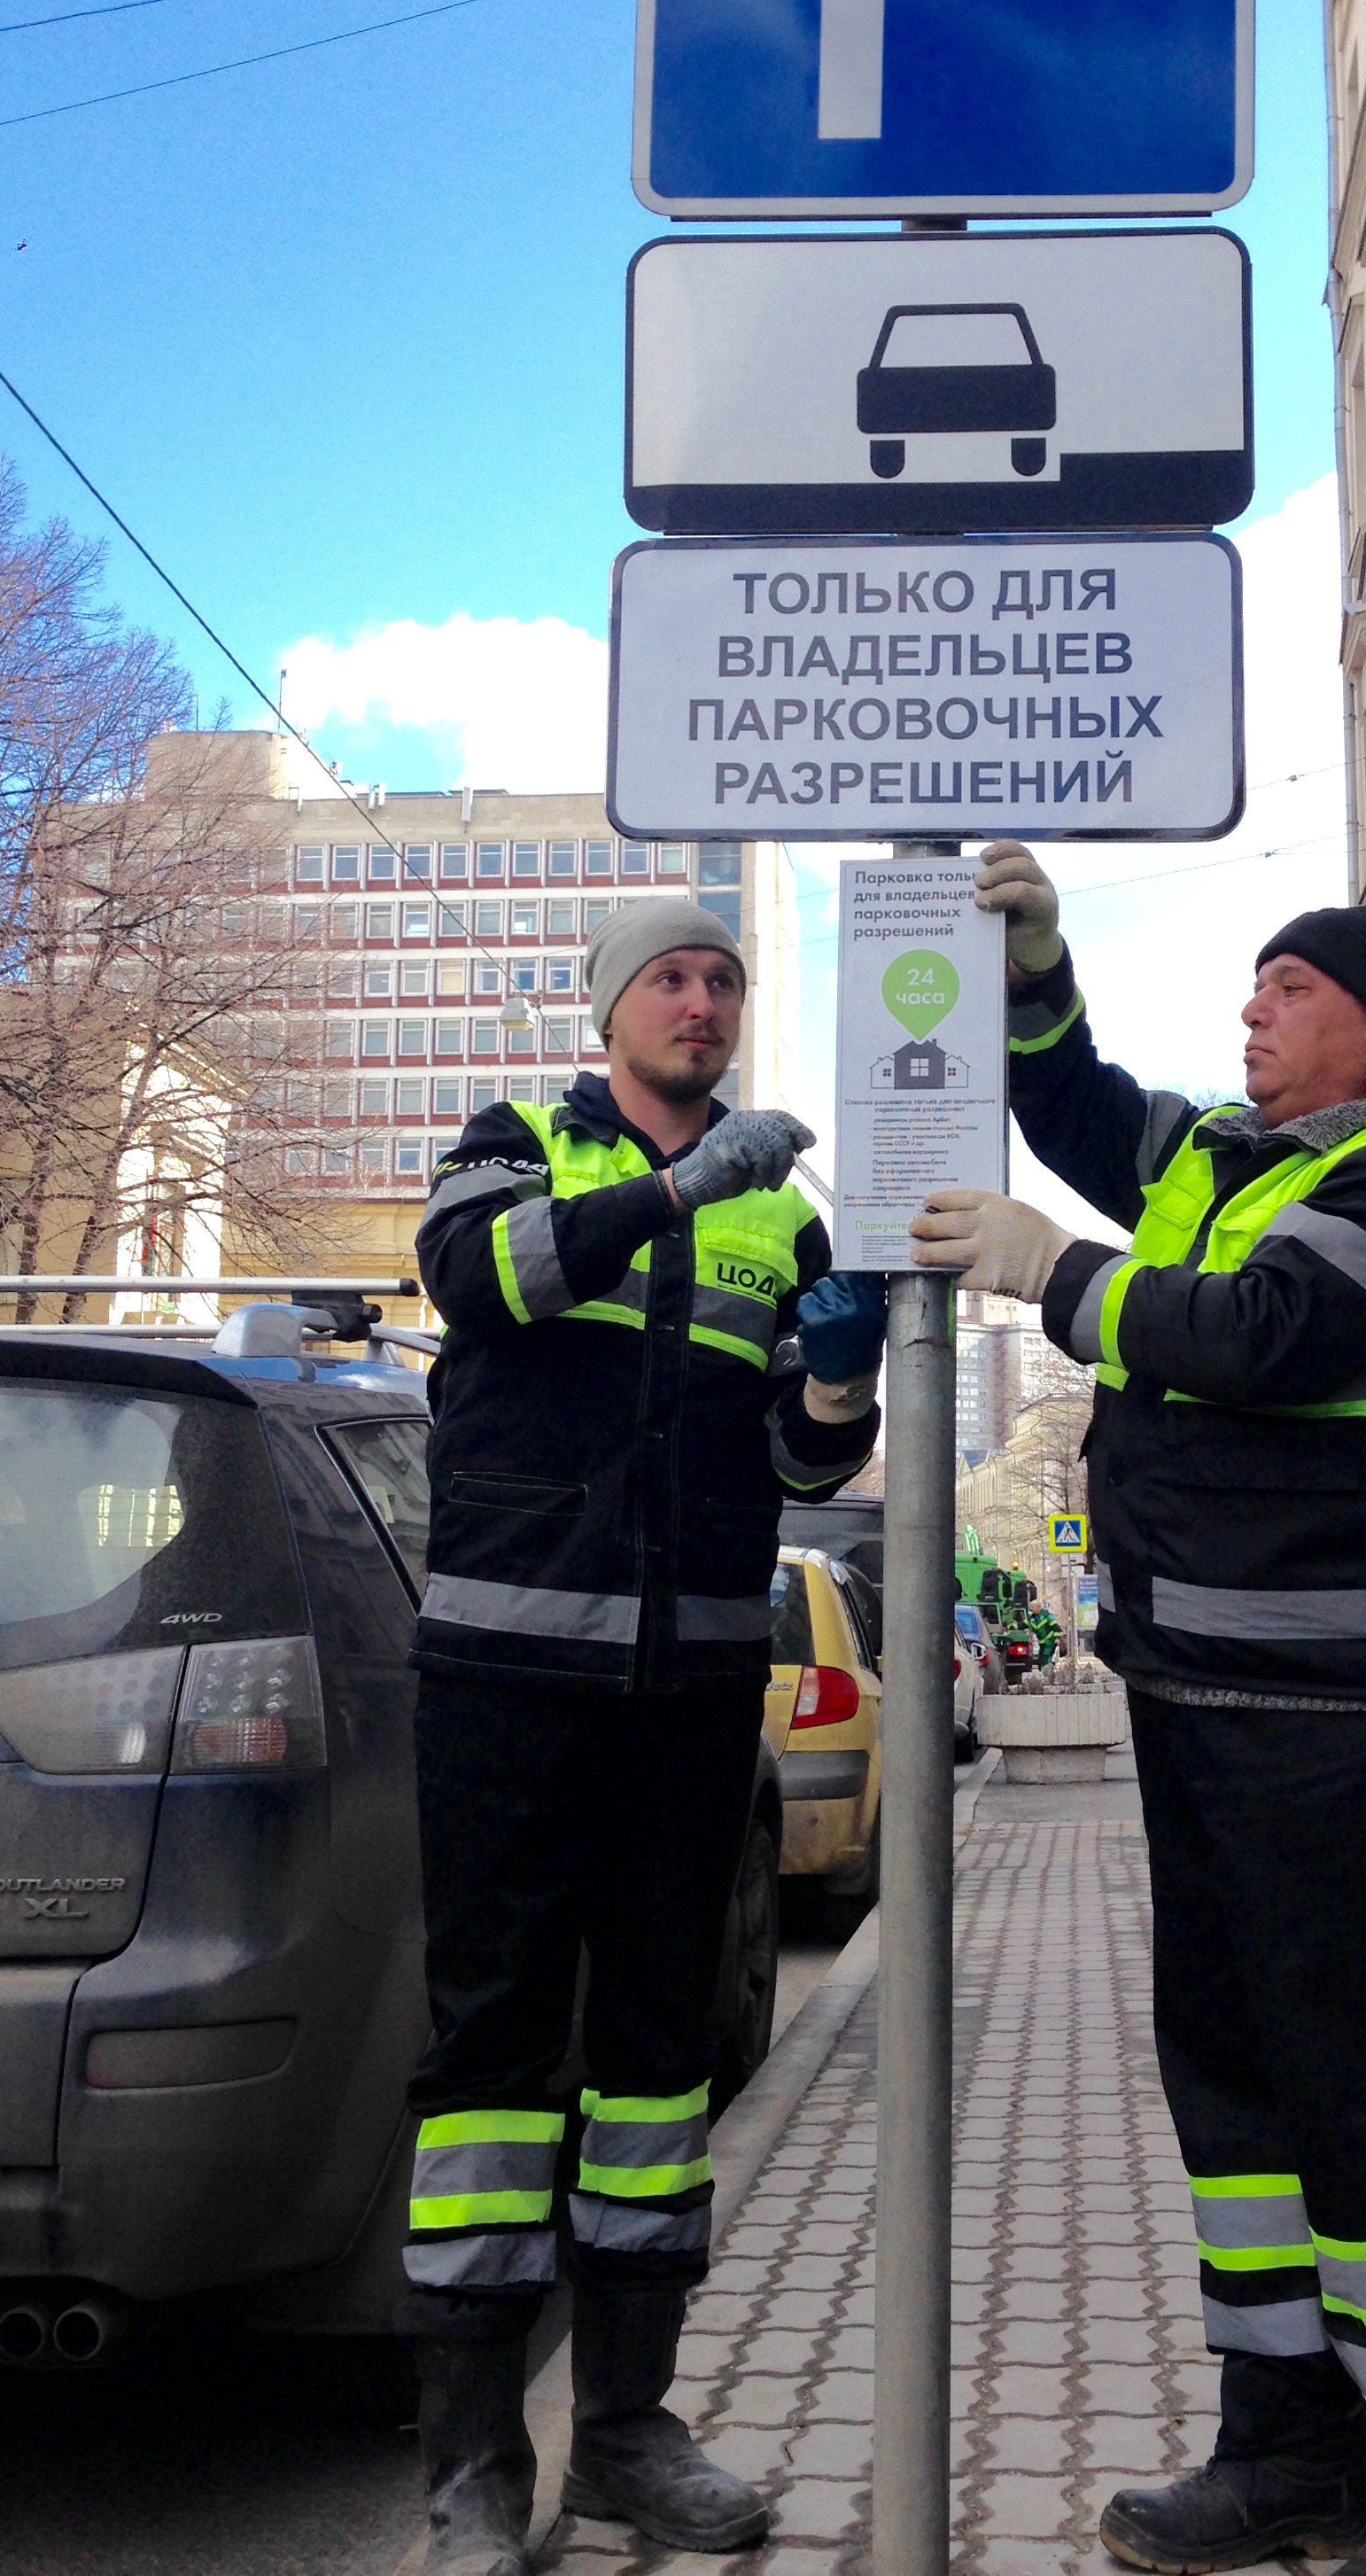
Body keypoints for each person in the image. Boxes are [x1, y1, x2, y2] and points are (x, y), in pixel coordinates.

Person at [910, 844, 1366, 2576]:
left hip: (1334, 1716)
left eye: (1292, 991)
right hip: (1202, 1698)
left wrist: (1055, 1277)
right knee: (1243, 2103)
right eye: (1251, 986)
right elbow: (1079, 1107)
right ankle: (1286, 2456)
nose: (1252, 1013)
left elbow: (1259, 1337)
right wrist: (1037, 966)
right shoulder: (1217, 1158)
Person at [404, 896, 886, 2576]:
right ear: (613, 1011)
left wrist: (837, 1386)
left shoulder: (788, 1223)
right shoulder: (516, 1141)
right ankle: (472, 2466)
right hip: (508, 1692)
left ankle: (623, 2432)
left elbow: (810, 1479)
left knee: (659, 2072)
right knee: (490, 2072)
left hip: (690, 1700)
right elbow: (482, 1277)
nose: (701, 1002)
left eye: (722, 981)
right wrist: (682, 1187)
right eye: (671, 980)